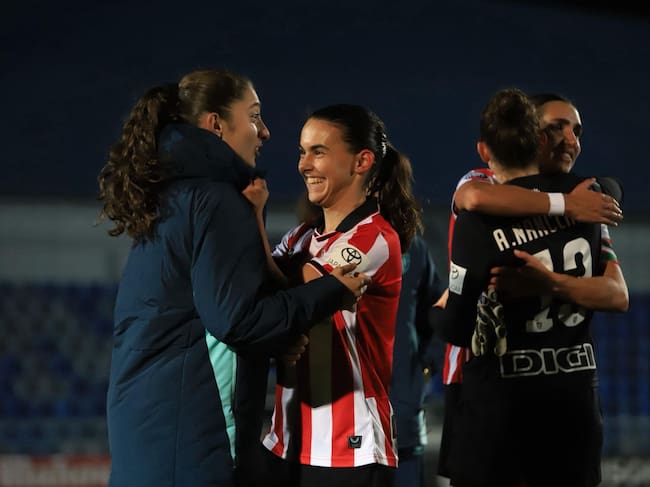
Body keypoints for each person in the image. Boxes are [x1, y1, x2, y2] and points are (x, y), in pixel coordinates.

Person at [97, 69, 370, 487]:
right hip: (192, 441)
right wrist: (329, 291)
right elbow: (237, 320)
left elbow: (200, 315)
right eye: (254, 116)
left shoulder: (174, 195)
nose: (265, 131)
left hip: (152, 433)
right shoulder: (216, 201)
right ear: (216, 124)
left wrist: (276, 338)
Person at [430, 88, 627, 487]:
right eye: (556, 128)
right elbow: (471, 195)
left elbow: (618, 294)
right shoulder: (488, 186)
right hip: (478, 379)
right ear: (530, 135)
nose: (569, 140)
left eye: (576, 130)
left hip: (537, 392)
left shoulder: (587, 201)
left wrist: (550, 282)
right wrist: (566, 205)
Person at [261, 104, 422, 487]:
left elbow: (296, 292)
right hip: (289, 439)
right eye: (303, 151)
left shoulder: (374, 237)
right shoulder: (301, 236)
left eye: (318, 152)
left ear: (361, 161)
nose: (304, 165)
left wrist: (252, 215)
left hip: (350, 447)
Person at [389, 234, 444, 487]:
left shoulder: (412, 248)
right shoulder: (325, 244)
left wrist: (424, 368)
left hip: (402, 416)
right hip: (339, 426)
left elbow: (437, 312)